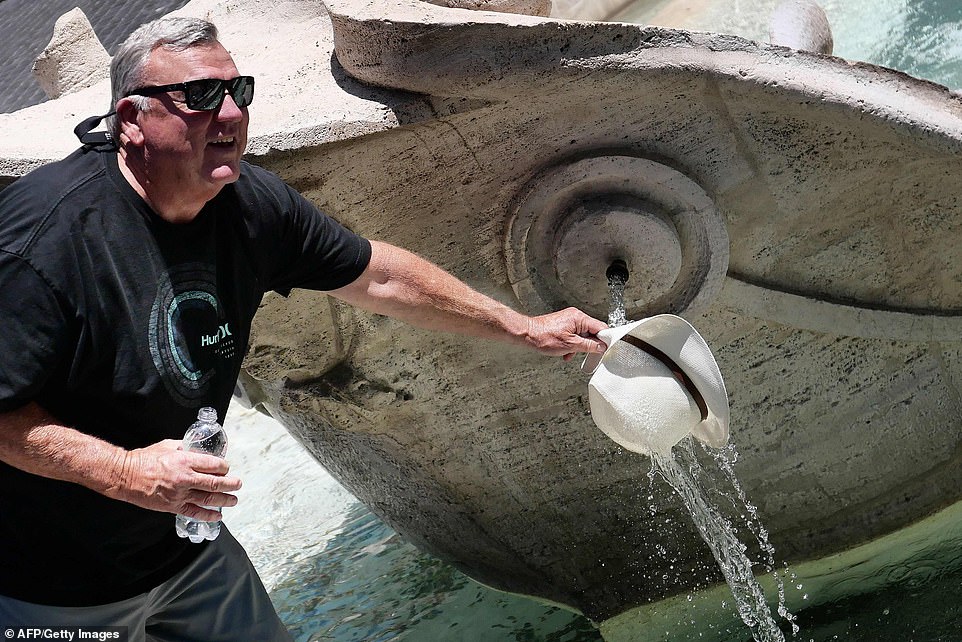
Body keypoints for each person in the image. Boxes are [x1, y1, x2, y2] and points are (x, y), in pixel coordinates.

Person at [0, 16, 607, 641]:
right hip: (48, 595)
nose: (232, 114)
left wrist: (523, 327)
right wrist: (124, 473)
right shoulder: (41, 246)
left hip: (186, 556)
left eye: (240, 92)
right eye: (203, 97)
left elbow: (377, 275)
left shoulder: (245, 203)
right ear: (131, 119)